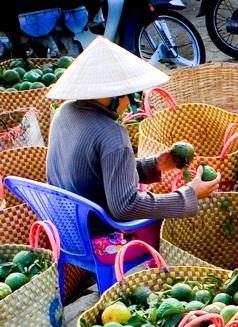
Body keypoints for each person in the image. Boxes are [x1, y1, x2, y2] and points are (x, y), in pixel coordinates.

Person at [45, 37, 220, 234]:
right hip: (99, 235)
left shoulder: (64, 112)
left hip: (64, 227)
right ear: (113, 96)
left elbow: (97, 170)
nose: (130, 102)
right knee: (179, 230)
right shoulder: (112, 134)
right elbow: (125, 207)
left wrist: (157, 164)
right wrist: (189, 195)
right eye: (129, 95)